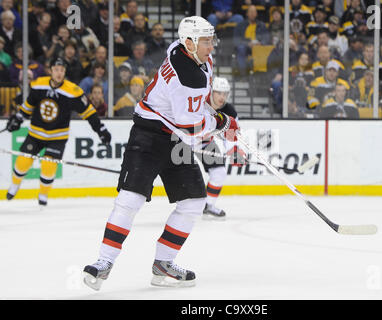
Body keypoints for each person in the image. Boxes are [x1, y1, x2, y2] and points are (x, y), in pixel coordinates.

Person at [83, 16, 240, 290]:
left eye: (210, 39)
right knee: (130, 199)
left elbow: (198, 105)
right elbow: (190, 127)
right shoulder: (185, 75)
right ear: (189, 42)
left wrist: (217, 115)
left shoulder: (191, 55)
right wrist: (222, 123)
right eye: (205, 40)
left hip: (175, 139)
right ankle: (103, 262)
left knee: (193, 201)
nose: (210, 46)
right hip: (149, 136)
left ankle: (163, 264)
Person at [4, 57, 111, 206]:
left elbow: (89, 112)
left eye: (62, 70)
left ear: (65, 72)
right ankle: (14, 186)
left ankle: (43, 196)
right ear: (51, 71)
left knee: (48, 166)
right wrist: (18, 117)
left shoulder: (73, 91)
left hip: (57, 137)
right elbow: (28, 105)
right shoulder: (38, 84)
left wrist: (100, 129)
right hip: (36, 133)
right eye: (56, 70)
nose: (59, 73)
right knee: (22, 162)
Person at [197, 77, 246, 219]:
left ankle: (208, 205)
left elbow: (231, 136)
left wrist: (234, 151)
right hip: (183, 140)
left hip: (204, 143)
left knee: (219, 172)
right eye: (219, 93)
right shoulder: (200, 103)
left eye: (225, 94)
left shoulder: (229, 111)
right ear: (211, 92)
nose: (222, 97)